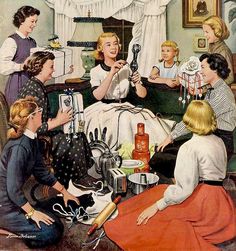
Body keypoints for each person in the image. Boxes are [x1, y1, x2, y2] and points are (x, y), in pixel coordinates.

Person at [104, 100, 236, 251]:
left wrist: (156, 206)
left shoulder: (189, 147)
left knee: (152, 217)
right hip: (222, 205)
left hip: (204, 207)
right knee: (158, 191)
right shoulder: (219, 141)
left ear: (189, 120)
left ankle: (120, 220)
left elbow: (185, 190)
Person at [0, 97, 79, 248]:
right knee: (51, 233)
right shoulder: (19, 148)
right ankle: (7, 231)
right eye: (39, 111)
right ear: (31, 118)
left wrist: (64, 192)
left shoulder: (31, 138)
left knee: (56, 223)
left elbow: (41, 172)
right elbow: (12, 189)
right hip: (4, 206)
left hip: (14, 202)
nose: (41, 113)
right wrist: (31, 213)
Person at [150, 53, 236, 179]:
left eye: (203, 68)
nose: (200, 72)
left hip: (220, 143)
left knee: (165, 157)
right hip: (209, 137)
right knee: (165, 151)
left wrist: (171, 136)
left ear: (215, 69)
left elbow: (196, 119)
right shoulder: (214, 88)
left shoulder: (222, 94)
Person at [84, 32, 175, 150]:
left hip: (125, 106)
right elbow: (97, 96)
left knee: (141, 119)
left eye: (115, 44)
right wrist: (111, 73)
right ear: (100, 48)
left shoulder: (126, 68)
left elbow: (142, 94)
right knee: (125, 119)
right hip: (104, 109)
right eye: (108, 45)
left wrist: (137, 82)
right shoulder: (96, 71)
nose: (113, 47)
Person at [18, 51, 94, 188]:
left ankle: (81, 176)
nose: (54, 70)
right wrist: (58, 121)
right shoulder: (32, 89)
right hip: (34, 140)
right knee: (72, 138)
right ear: (39, 68)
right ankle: (73, 179)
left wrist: (58, 120)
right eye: (51, 67)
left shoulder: (36, 86)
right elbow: (31, 127)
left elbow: (41, 119)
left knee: (78, 133)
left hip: (40, 134)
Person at [0, 6, 40, 106]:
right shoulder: (12, 41)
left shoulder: (32, 42)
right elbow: (2, 65)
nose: (34, 25)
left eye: (36, 21)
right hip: (17, 84)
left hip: (31, 84)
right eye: (32, 21)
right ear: (22, 21)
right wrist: (21, 66)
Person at [202, 15, 234, 85]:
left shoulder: (223, 51)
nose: (204, 35)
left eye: (207, 32)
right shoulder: (212, 46)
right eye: (204, 32)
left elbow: (230, 78)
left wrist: (209, 87)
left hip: (220, 92)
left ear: (217, 31)